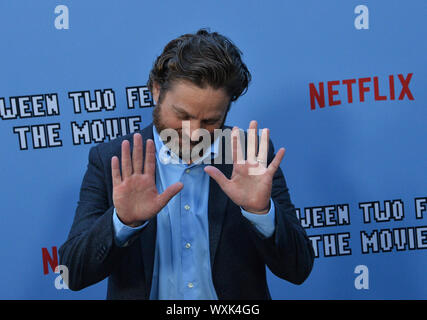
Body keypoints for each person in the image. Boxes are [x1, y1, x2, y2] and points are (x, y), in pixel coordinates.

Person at [59, 28, 314, 300]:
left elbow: (297, 270)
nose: (194, 133)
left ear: (227, 109)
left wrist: (260, 213)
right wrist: (123, 223)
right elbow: (71, 274)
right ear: (157, 91)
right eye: (182, 115)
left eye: (210, 121)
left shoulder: (249, 155)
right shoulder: (112, 159)